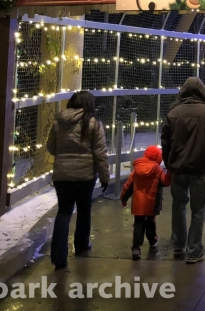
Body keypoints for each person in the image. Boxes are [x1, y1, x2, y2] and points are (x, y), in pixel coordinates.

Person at [161, 77, 205, 264]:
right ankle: (194, 250)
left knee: (178, 206)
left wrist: (169, 164)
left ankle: (178, 246)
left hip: (178, 168)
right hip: (201, 167)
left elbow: (165, 141)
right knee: (199, 210)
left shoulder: (173, 113)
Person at [46, 91, 109, 272]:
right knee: (84, 209)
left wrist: (64, 156)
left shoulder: (59, 122)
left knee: (64, 211)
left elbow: (51, 147)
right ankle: (81, 245)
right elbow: (100, 153)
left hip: (62, 175)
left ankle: (59, 257)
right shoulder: (93, 123)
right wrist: (105, 177)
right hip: (85, 175)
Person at [120, 146, 171, 261]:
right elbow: (165, 182)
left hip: (138, 204)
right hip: (152, 203)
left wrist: (124, 198)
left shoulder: (137, 169)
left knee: (138, 224)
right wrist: (170, 171)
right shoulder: (158, 170)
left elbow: (128, 186)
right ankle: (152, 240)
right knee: (150, 222)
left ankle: (136, 248)